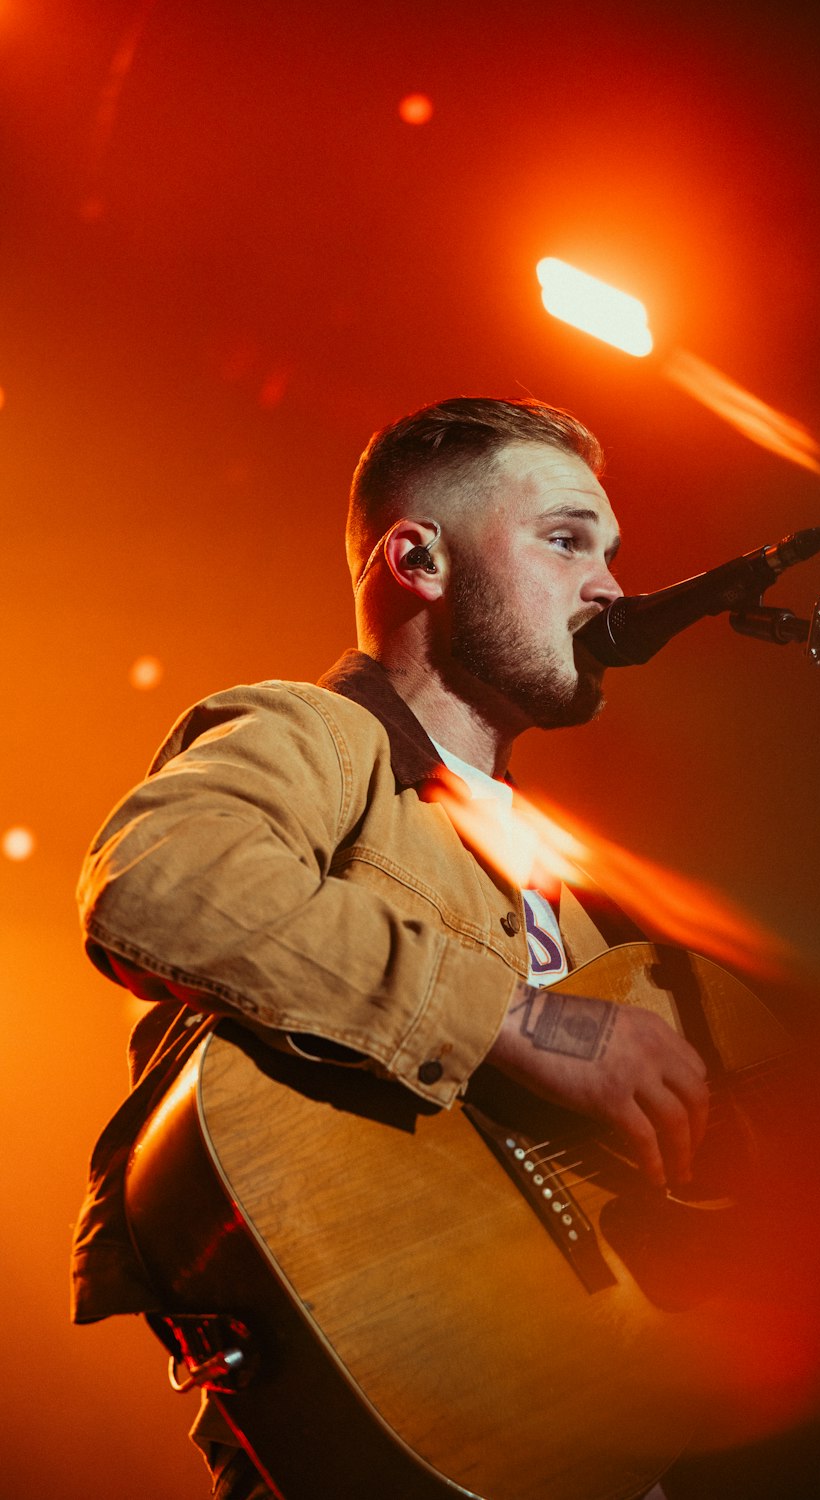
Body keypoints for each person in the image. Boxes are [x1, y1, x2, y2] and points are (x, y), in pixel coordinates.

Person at [71, 396, 710, 1499]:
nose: (610, 586)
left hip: (560, 1416)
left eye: (610, 550)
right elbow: (156, 877)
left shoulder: (569, 870)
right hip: (383, 1425)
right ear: (416, 558)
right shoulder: (318, 734)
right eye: (565, 541)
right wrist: (523, 1021)